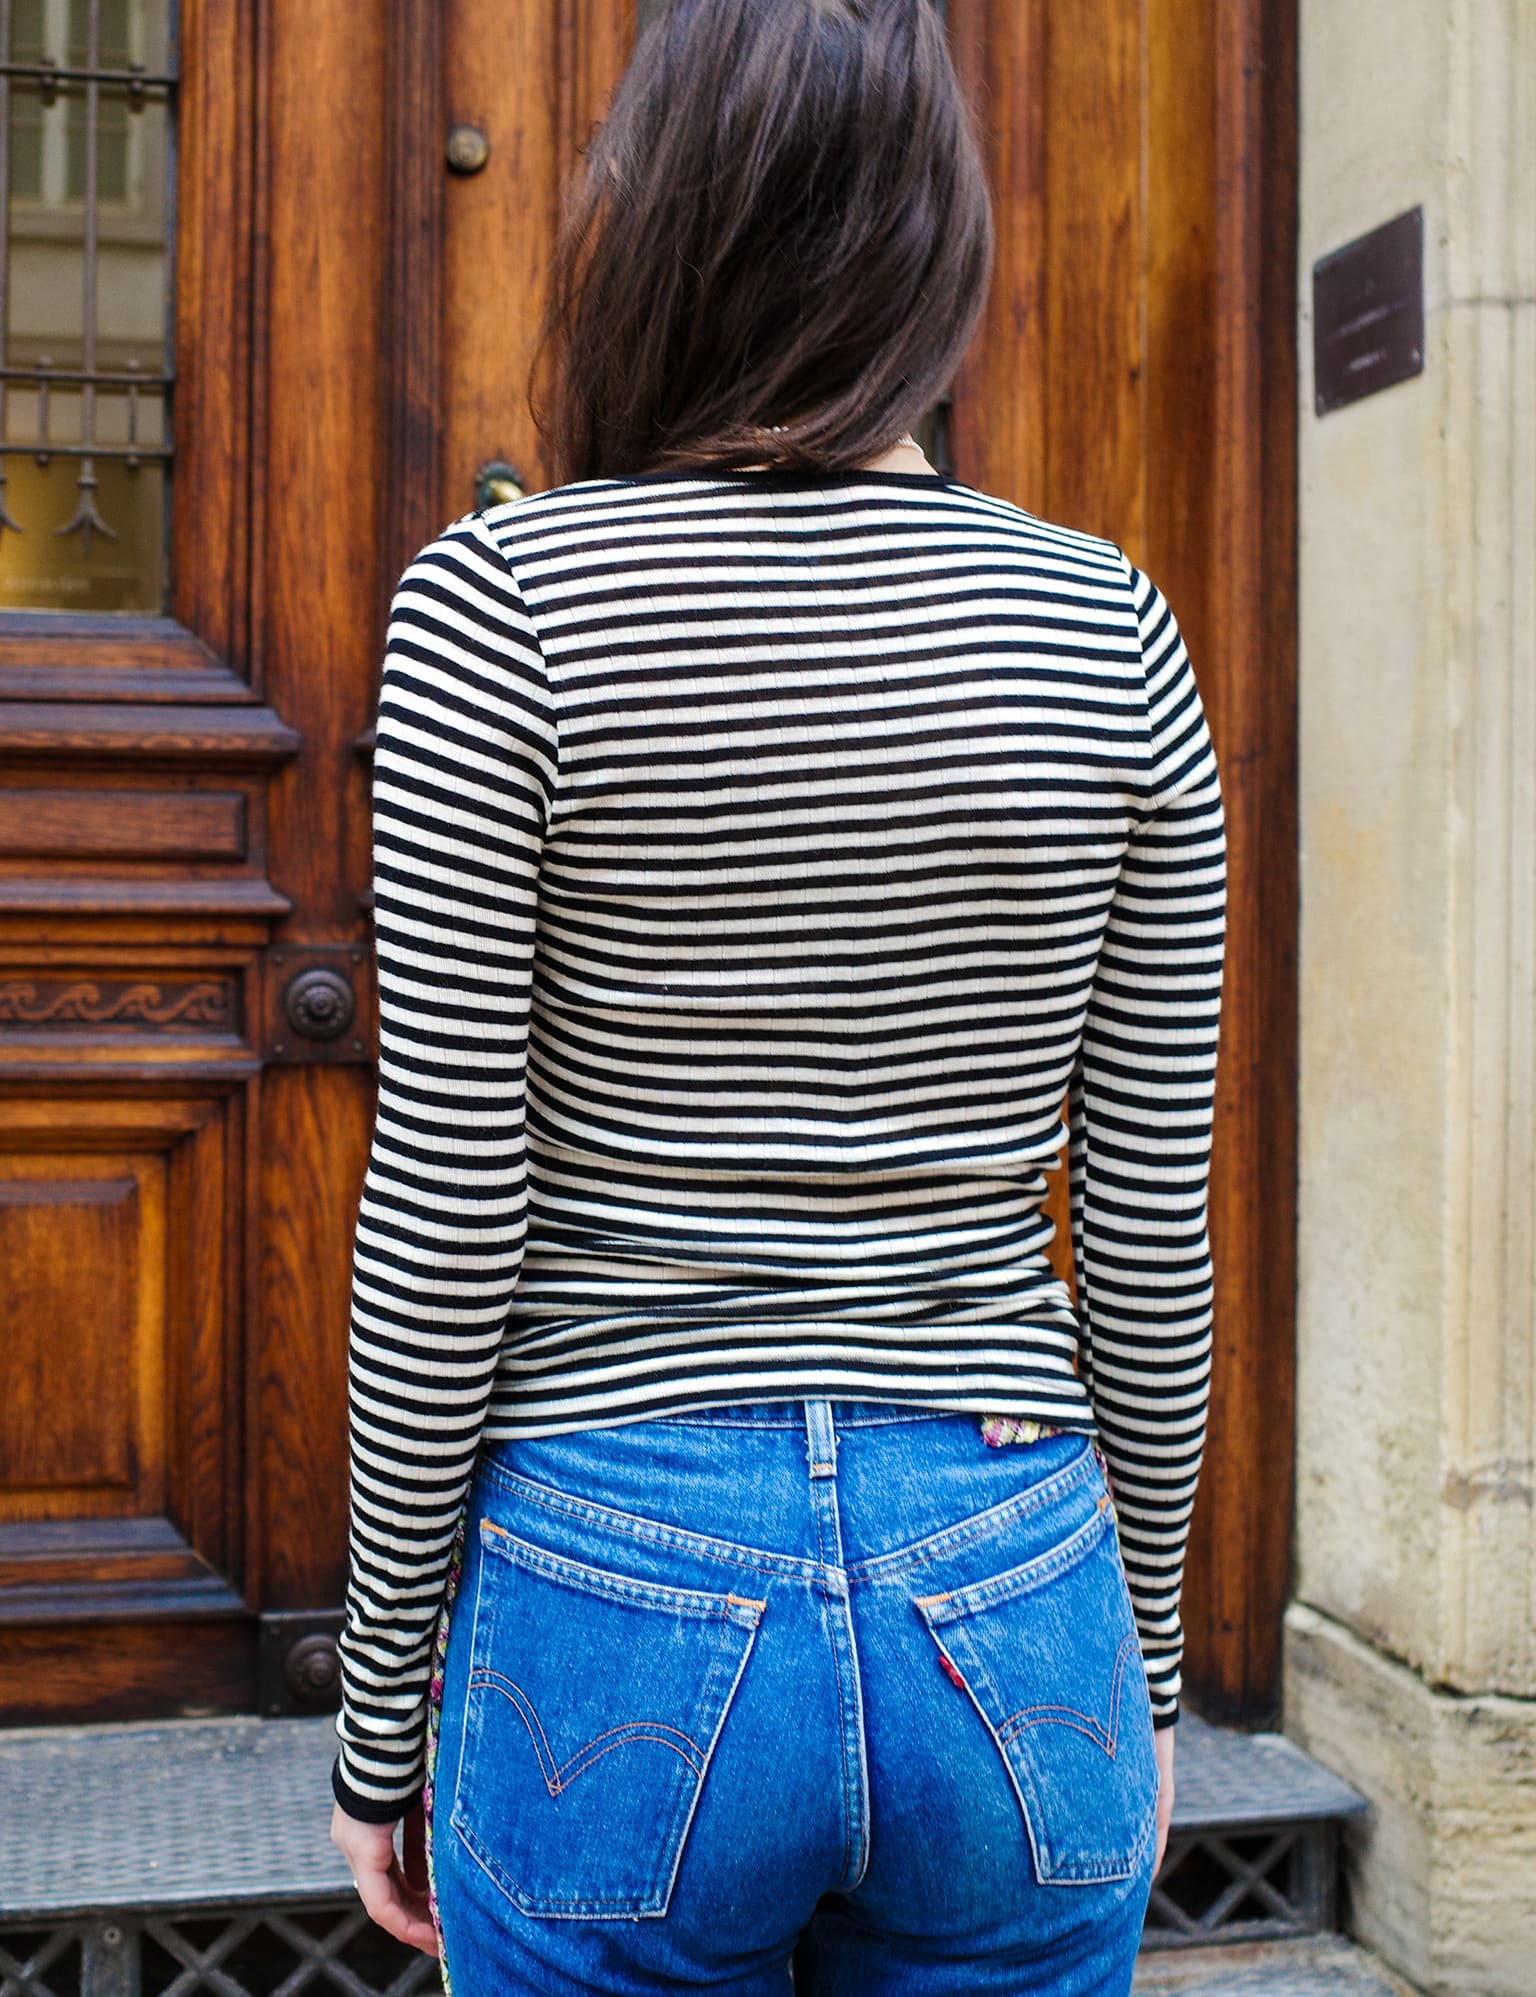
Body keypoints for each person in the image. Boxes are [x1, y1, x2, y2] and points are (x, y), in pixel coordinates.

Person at [328, 1, 1226, 1991]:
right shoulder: (1113, 628)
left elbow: (449, 1207)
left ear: (651, 224)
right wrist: (1146, 1665)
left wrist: (381, 1715)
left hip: (616, 1563)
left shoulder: (502, 605)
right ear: (940, 242)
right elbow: (1149, 1225)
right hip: (1013, 1567)